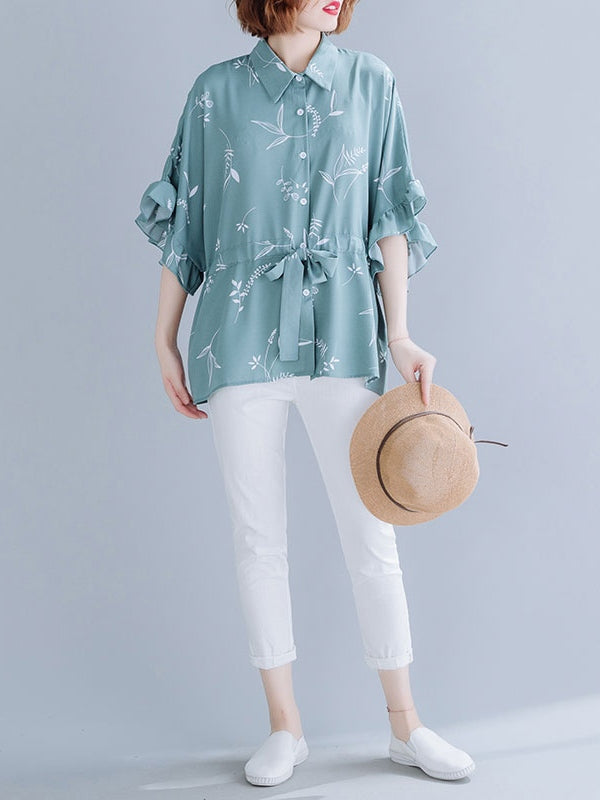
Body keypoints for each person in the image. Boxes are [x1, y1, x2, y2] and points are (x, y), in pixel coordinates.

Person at [134, 0, 475, 786]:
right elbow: (188, 220)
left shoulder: (371, 83)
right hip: (236, 335)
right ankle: (284, 728)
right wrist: (163, 338)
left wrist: (400, 335)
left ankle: (406, 726)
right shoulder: (215, 93)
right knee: (258, 540)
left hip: (344, 332)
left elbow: (388, 216)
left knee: (372, 535)